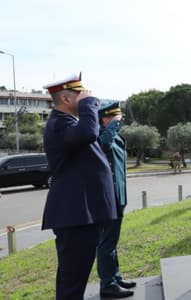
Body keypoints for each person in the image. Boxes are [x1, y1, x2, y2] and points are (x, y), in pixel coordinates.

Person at [42, 73, 117, 300]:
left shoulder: (69, 123)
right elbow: (88, 132)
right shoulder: (59, 124)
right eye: (80, 94)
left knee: (72, 279)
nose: (87, 97)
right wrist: (89, 104)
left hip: (81, 214)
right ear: (66, 100)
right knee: (72, 282)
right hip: (75, 216)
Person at [96, 102, 136, 298]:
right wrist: (112, 126)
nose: (119, 121)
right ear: (105, 118)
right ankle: (107, 284)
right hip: (107, 198)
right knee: (106, 243)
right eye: (116, 117)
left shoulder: (116, 137)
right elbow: (104, 145)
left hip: (118, 196)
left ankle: (115, 276)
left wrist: (114, 127)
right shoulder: (100, 135)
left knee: (112, 241)